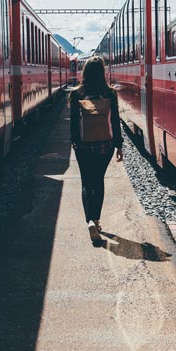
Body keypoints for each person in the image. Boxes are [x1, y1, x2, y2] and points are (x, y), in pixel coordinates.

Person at [69, 55, 123, 244]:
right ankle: (97, 219)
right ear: (103, 73)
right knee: (98, 182)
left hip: (84, 146)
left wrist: (74, 143)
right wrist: (119, 144)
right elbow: (115, 121)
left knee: (86, 183)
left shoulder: (76, 94)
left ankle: (90, 221)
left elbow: (74, 124)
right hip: (105, 145)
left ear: (85, 72)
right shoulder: (110, 94)